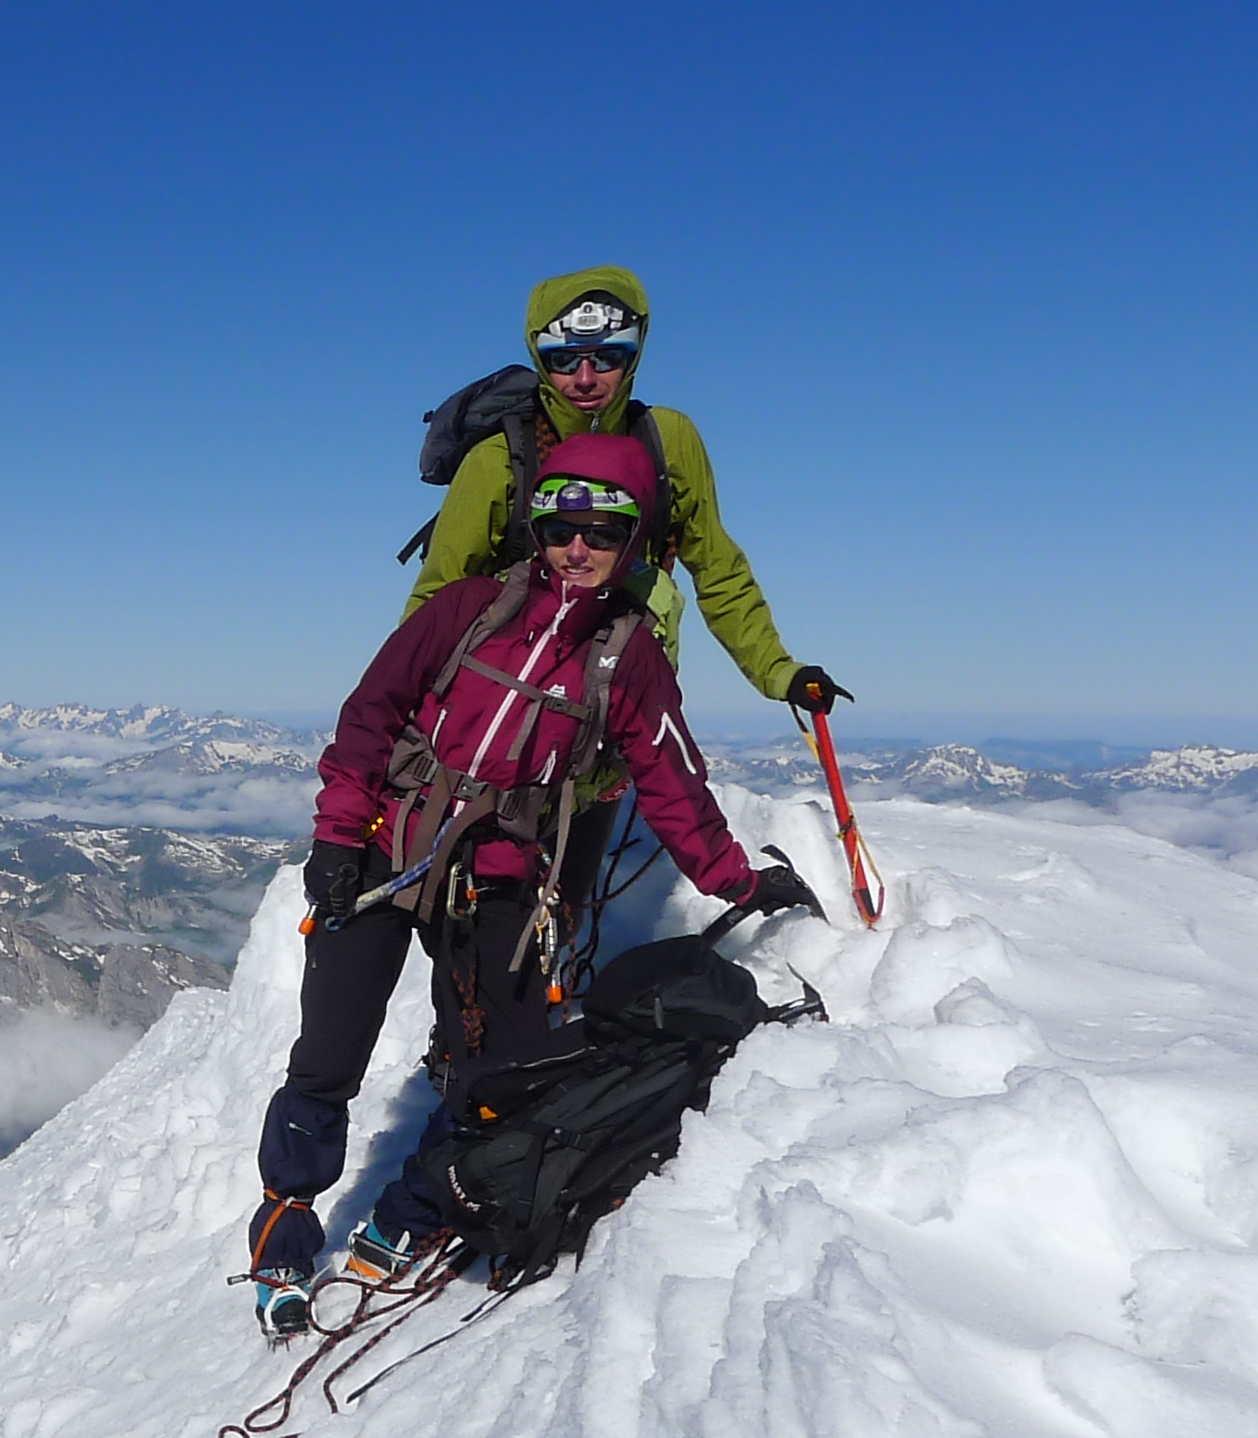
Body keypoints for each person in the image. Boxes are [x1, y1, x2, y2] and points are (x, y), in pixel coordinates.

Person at [243, 430, 814, 1333]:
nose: (577, 548)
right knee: (328, 1056)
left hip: (502, 876)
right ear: (535, 529)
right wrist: (339, 836)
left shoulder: (630, 656)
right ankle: (285, 1224)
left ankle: (412, 1212)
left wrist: (736, 881)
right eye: (559, 528)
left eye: (602, 531)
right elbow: (370, 718)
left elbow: (671, 780)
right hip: (388, 848)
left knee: (492, 1069)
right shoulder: (468, 608)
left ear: (632, 539)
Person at [410, 266, 850, 724]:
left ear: (633, 357)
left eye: (606, 358)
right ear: (540, 360)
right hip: (513, 715)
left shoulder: (668, 440)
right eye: (564, 361)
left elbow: (717, 568)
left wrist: (778, 672)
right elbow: (439, 596)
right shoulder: (500, 457)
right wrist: (405, 713)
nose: (584, 378)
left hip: (629, 707)